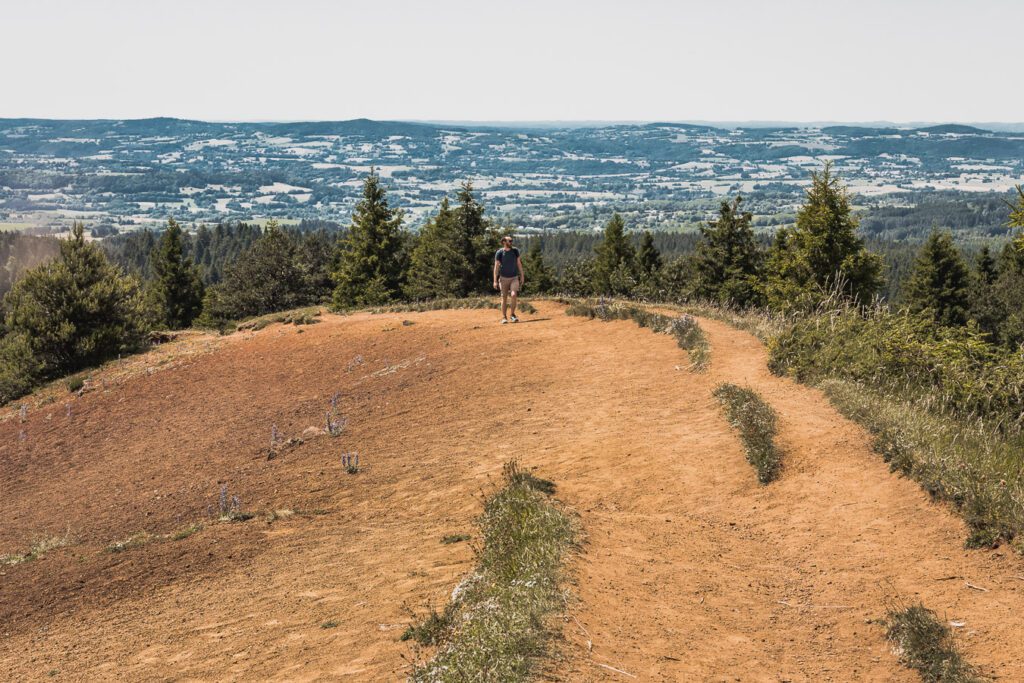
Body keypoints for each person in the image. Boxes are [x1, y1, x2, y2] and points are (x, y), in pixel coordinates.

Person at [493, 235, 525, 323]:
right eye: (509, 241)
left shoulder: (515, 251)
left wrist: (522, 275)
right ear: (504, 242)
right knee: (504, 297)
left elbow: (519, 264)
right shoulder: (499, 253)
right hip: (503, 278)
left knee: (514, 295)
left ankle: (512, 315)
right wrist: (495, 281)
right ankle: (504, 317)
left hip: (514, 277)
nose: (511, 242)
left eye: (511, 241)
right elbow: (496, 267)